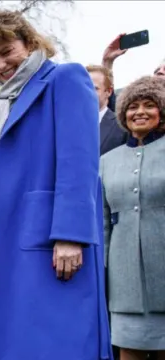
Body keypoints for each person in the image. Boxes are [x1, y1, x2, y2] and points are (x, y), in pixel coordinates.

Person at [0, 10, 112, 360]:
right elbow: (6, 164)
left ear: (31, 43)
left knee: (53, 339)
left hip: (46, 235)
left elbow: (79, 162)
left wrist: (70, 234)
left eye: (7, 51)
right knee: (8, 334)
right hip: (1, 232)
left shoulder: (64, 78)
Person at [100, 75, 165, 360]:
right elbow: (101, 219)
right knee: (129, 350)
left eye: (149, 105)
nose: (140, 112)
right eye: (132, 106)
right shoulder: (106, 161)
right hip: (124, 276)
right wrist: (100, 266)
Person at [102, 34, 165, 112]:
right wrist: (107, 61)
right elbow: (110, 103)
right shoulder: (134, 101)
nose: (160, 71)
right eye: (156, 70)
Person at [86, 64, 128, 155]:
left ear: (108, 91)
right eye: (83, 88)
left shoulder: (123, 127)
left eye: (94, 88)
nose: (86, 92)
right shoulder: (66, 125)